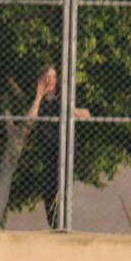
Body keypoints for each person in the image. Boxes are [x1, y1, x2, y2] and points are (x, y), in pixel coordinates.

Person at [27, 65, 88, 230]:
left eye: (53, 76)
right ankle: (55, 225)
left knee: (61, 190)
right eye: (47, 76)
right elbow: (30, 121)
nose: (51, 80)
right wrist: (38, 96)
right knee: (48, 192)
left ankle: (63, 224)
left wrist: (69, 109)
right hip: (47, 152)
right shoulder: (38, 98)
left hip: (63, 150)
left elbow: (86, 114)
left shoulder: (63, 95)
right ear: (41, 79)